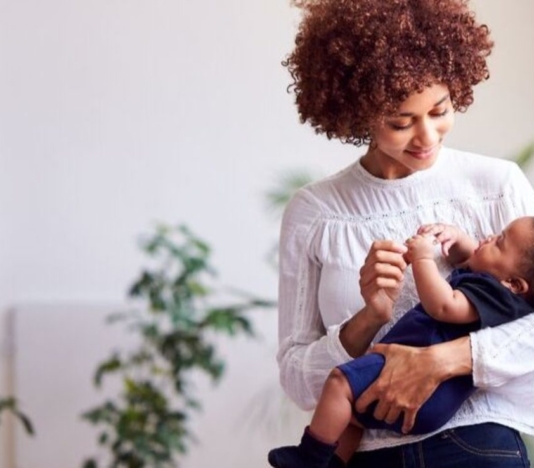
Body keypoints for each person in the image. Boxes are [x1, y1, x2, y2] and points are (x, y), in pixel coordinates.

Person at [276, 0, 534, 466]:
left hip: (476, 445)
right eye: (400, 122)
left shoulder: (498, 187)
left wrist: (446, 360)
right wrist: (369, 317)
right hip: (366, 455)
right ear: (356, 112)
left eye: (440, 110)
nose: (427, 137)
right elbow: (297, 380)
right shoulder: (315, 213)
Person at [269, 217, 534, 468]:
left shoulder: (493, 294)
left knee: (339, 383)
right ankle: (332, 463)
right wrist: (456, 237)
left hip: (437, 404)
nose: (488, 237)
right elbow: (468, 256)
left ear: (513, 284)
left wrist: (422, 258)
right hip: (432, 404)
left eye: (499, 241)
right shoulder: (495, 285)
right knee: (351, 418)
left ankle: (308, 458)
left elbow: (442, 305)